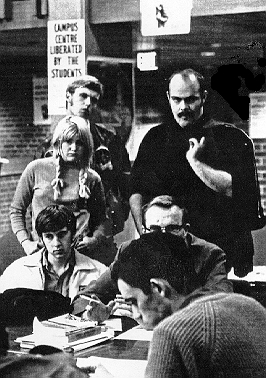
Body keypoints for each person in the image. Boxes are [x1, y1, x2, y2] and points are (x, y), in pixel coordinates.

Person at [129, 68, 265, 277]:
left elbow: (236, 189)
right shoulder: (155, 139)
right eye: (176, 100)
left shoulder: (233, 138)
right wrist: (145, 233)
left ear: (204, 97)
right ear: (168, 98)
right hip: (168, 250)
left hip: (221, 250)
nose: (183, 107)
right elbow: (136, 190)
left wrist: (196, 163)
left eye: (191, 99)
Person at [112, 236, 266, 378]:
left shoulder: (171, 332)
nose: (135, 313)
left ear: (158, 288)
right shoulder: (249, 306)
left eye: (133, 301)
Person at [72, 195, 232, 322]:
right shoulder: (129, 251)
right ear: (144, 230)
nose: (162, 237)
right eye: (154, 229)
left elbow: (222, 303)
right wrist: (96, 312)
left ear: (185, 230)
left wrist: (156, 310)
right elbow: (83, 299)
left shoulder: (209, 254)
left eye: (172, 229)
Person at [35, 75, 131, 236]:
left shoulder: (109, 141)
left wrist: (114, 219)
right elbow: (35, 193)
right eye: (83, 96)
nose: (88, 104)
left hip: (101, 230)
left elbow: (126, 183)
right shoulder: (48, 147)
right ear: (68, 96)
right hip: (59, 231)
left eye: (94, 100)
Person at [10, 116, 112, 265]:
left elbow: (102, 219)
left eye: (80, 143)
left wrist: (95, 239)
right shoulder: (36, 169)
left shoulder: (92, 178)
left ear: (87, 147)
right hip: (41, 252)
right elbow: (16, 210)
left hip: (78, 255)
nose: (73, 147)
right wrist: (26, 242)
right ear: (58, 143)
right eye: (68, 141)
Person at [1, 205, 107, 300]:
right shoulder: (16, 271)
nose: (56, 243)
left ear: (73, 234)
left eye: (62, 235)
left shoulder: (99, 272)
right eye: (49, 236)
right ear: (41, 239)